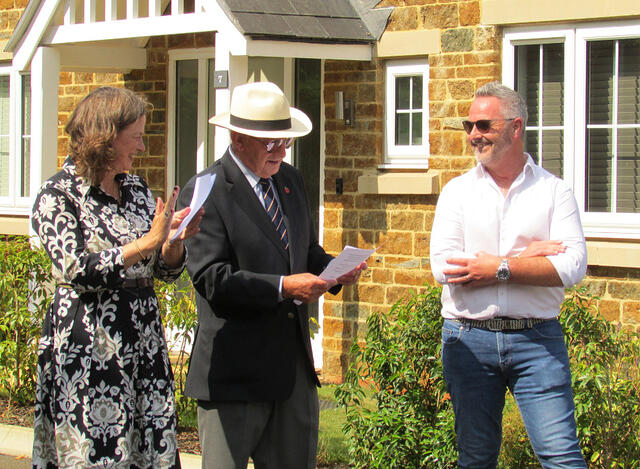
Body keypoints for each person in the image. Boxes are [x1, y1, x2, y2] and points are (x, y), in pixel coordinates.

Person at [178, 81, 365, 469]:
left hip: (292, 372)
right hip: (235, 375)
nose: (280, 151)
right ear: (237, 137)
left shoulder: (291, 181)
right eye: (270, 143)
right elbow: (212, 278)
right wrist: (283, 287)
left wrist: (334, 269)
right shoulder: (207, 189)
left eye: (286, 141)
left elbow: (302, 250)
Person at [31, 86, 203, 468]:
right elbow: (78, 269)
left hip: (143, 342)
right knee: (97, 450)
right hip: (90, 346)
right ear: (106, 138)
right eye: (136, 137)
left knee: (150, 449)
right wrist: (146, 242)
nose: (142, 148)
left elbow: (163, 270)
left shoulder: (137, 190)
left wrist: (172, 242)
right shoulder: (58, 196)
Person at [430, 82, 588, 469]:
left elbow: (572, 267)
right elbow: (445, 268)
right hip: (469, 339)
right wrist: (523, 260)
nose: (473, 135)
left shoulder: (555, 191)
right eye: (469, 125)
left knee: (562, 456)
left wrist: (495, 267)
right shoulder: (456, 192)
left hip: (538, 340)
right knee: (476, 458)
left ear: (515, 127)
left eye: (484, 124)